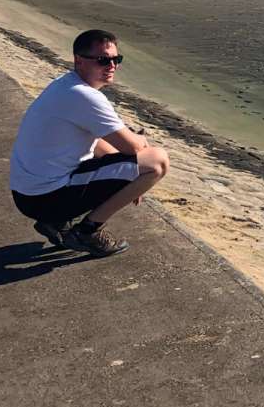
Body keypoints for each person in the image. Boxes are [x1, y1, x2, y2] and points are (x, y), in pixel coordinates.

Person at [9, 29, 169, 257]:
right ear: (79, 61)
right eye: (103, 60)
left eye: (116, 59)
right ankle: (87, 231)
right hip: (45, 197)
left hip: (30, 194)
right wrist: (138, 154)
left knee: (123, 157)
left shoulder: (64, 85)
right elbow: (133, 148)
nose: (112, 66)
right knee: (158, 161)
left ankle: (55, 222)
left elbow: (100, 145)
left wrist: (129, 173)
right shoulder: (84, 96)